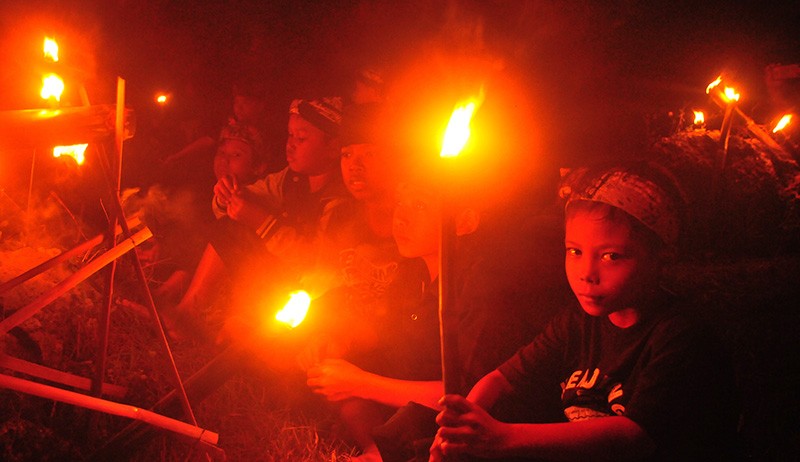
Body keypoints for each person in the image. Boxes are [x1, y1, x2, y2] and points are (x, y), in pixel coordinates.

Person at [429, 161, 740, 461]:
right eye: (574, 251)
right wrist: (459, 427)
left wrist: (502, 437)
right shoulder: (576, 324)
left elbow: (633, 437)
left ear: (660, 258)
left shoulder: (680, 335)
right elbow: (500, 379)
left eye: (610, 256)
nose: (586, 272)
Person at [164, 96, 349, 341]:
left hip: (306, 293)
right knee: (231, 226)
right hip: (269, 276)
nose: (291, 145)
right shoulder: (289, 179)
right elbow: (244, 201)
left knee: (235, 346)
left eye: (301, 138)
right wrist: (227, 196)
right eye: (290, 135)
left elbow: (317, 264)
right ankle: (189, 313)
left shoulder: (339, 200)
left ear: (333, 148)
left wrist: (261, 222)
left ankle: (230, 325)